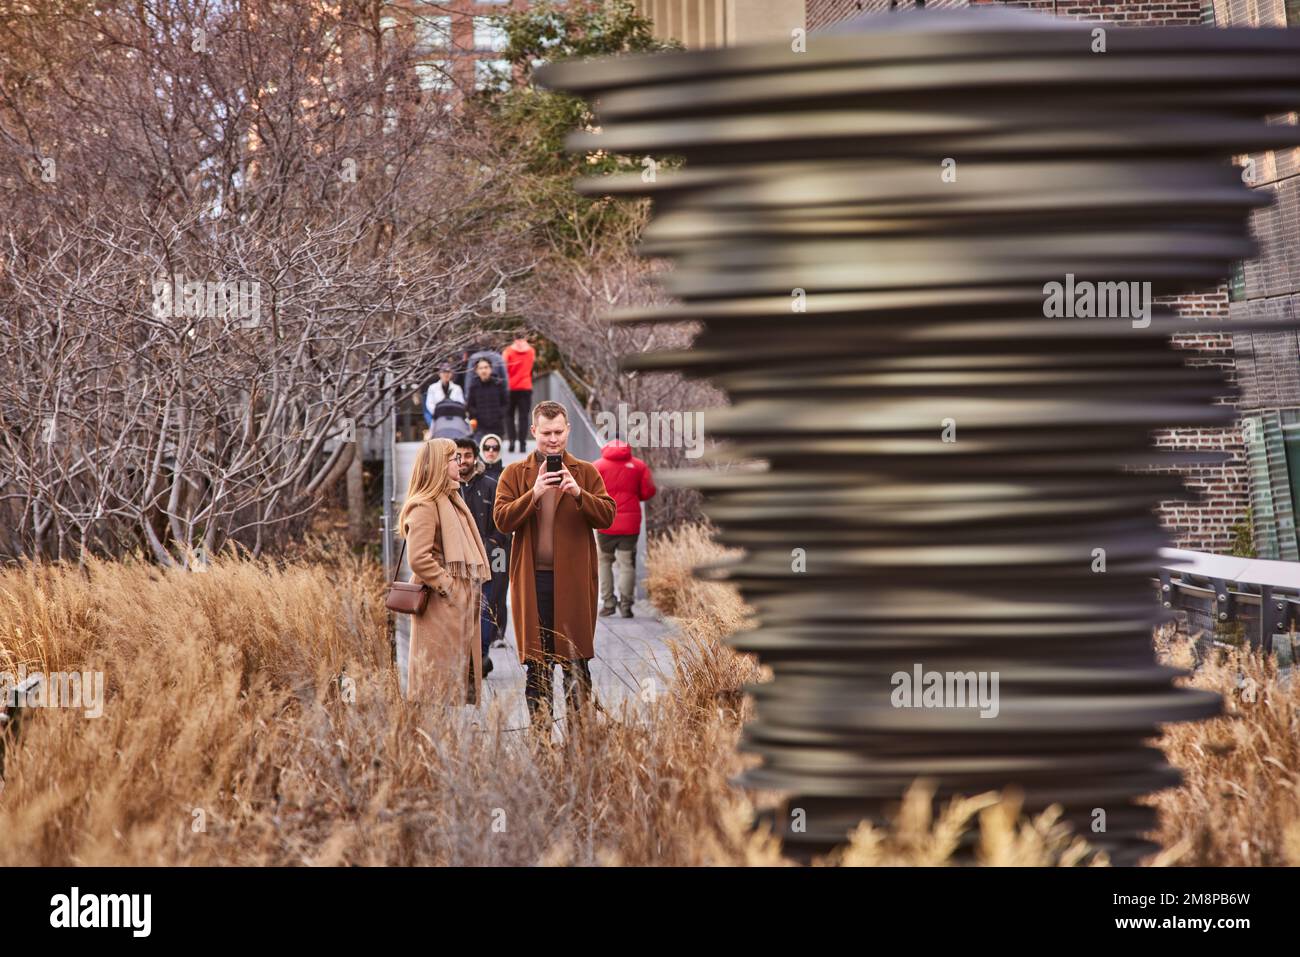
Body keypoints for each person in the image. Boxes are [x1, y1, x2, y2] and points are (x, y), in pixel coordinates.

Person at [493, 400, 616, 731]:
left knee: (576, 662)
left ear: (568, 430)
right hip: (533, 583)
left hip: (574, 583)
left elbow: (607, 517)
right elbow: (502, 520)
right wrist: (532, 495)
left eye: (558, 432)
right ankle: (542, 739)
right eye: (546, 433)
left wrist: (579, 494)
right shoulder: (515, 473)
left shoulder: (586, 472)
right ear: (533, 431)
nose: (552, 440)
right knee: (538, 665)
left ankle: (581, 738)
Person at [399, 438, 491, 705]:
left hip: (455, 603)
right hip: (439, 604)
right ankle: (433, 742)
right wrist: (449, 587)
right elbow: (418, 558)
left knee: (453, 679)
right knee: (435, 686)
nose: (460, 463)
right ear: (440, 464)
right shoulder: (425, 505)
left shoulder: (450, 498)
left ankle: (447, 740)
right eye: (454, 459)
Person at [455, 437, 508, 679]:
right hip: (457, 562)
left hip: (489, 559)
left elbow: (505, 519)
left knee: (486, 608)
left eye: (467, 455)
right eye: (458, 456)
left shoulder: (491, 484)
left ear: (475, 457)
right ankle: (466, 659)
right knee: (461, 610)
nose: (462, 460)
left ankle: (481, 656)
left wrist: (493, 542)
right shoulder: (447, 488)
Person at [593, 439, 657, 618]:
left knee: (605, 561)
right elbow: (648, 492)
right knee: (626, 563)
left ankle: (608, 603)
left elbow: (589, 491)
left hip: (606, 521)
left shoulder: (598, 466)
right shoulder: (639, 465)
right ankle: (626, 605)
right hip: (630, 524)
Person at [504, 331, 536, 454]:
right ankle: (522, 444)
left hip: (510, 387)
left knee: (509, 416)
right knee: (523, 416)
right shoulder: (531, 351)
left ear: (513, 337)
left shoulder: (508, 351)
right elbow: (531, 368)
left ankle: (512, 441)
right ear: (525, 338)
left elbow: (504, 369)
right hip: (525, 386)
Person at [465, 357, 508, 442]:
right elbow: (470, 405)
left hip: (497, 426)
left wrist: (500, 414)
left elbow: (506, 403)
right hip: (480, 427)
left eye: (486, 367)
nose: (483, 370)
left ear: (491, 369)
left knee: (495, 452)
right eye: (480, 368)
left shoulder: (498, 384)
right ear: (477, 371)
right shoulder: (473, 386)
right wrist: (477, 415)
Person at [424, 364, 465, 430]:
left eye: (448, 372)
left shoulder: (457, 388)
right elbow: (429, 404)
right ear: (439, 373)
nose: (446, 374)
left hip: (454, 419)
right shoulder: (432, 388)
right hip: (438, 419)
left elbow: (461, 403)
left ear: (451, 374)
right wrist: (440, 412)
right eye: (444, 372)